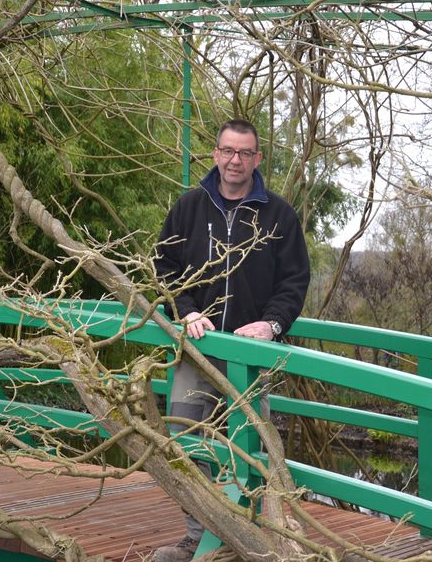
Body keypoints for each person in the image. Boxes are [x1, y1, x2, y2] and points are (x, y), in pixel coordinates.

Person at [153, 118, 310, 562]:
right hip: (195, 352)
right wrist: (184, 311)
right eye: (227, 151)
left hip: (249, 357)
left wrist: (271, 325)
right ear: (215, 154)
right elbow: (163, 269)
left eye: (244, 153)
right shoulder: (189, 208)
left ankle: (246, 536)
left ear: (257, 159)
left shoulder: (278, 215)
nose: (235, 160)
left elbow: (295, 281)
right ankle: (196, 535)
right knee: (184, 442)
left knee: (250, 449)